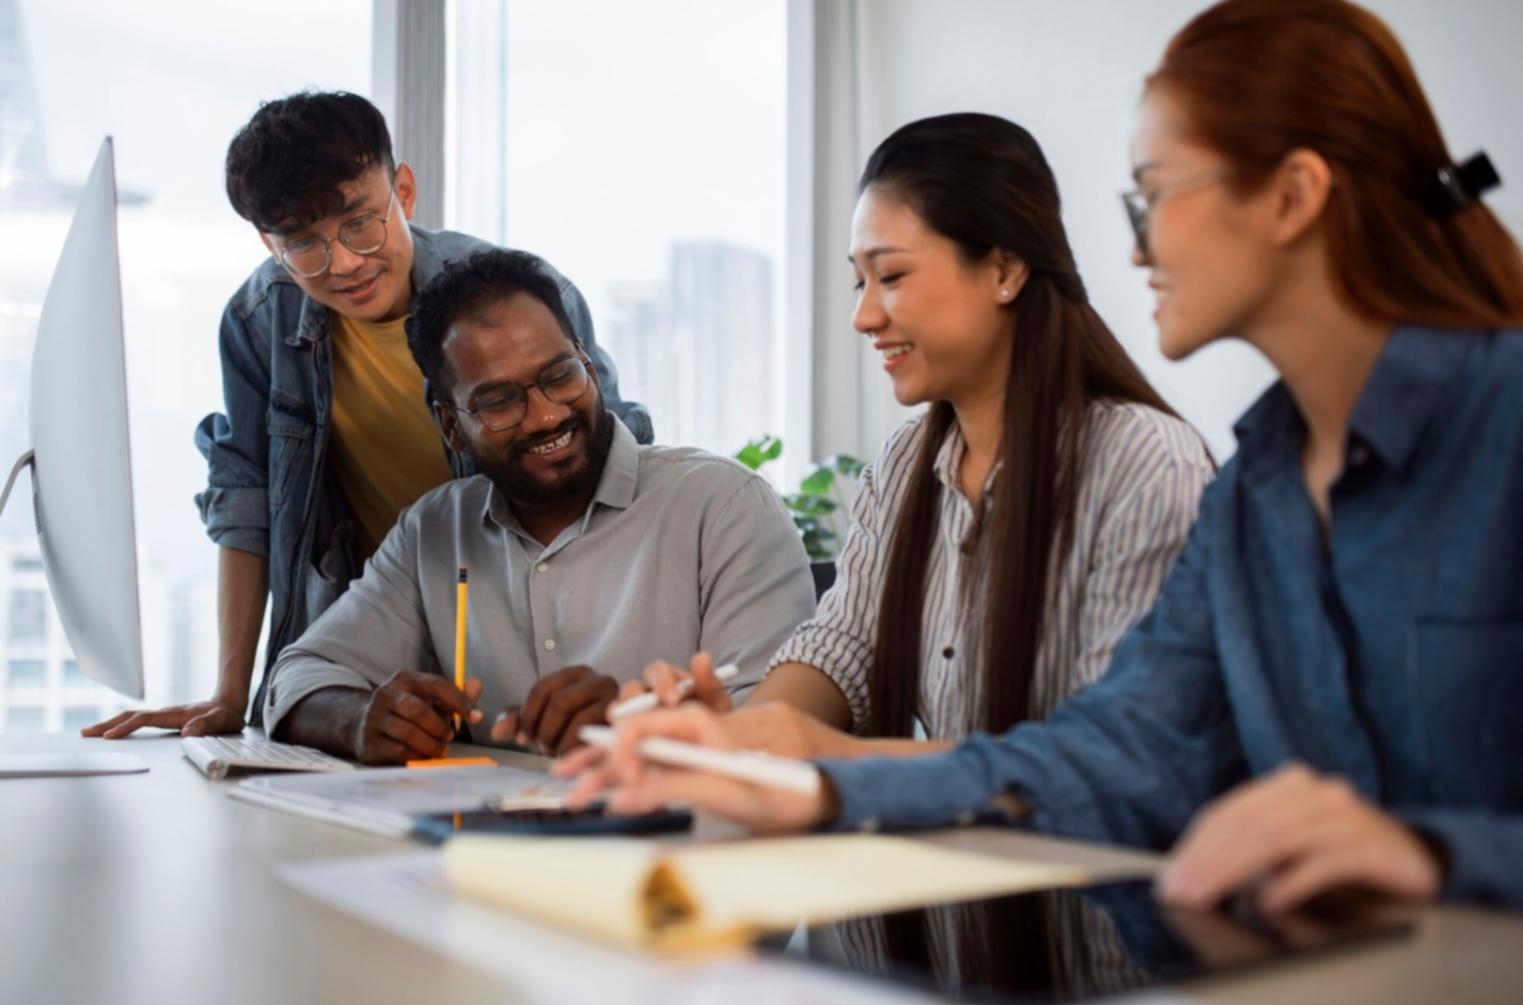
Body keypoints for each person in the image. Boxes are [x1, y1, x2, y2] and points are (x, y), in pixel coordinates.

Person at [568, 0, 1523, 912]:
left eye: (1152, 196)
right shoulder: (1257, 494)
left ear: (1291, 195)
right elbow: (1114, 753)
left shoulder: (1489, 428)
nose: (1135, 244)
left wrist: (1432, 851)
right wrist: (795, 765)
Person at [621, 114, 1212, 761]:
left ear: (1004, 269)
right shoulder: (908, 460)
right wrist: (735, 735)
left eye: (892, 276)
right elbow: (842, 644)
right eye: (859, 280)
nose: (863, 315)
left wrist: (832, 756)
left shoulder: (1145, 464)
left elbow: (1106, 756)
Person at [83, 92, 650, 740]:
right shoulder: (258, 321)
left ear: (402, 190)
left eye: (359, 221)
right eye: (304, 243)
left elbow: (600, 458)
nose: (345, 262)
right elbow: (246, 497)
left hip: (521, 618)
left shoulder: (512, 299)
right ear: (270, 243)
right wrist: (230, 695)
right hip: (376, 634)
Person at [264, 250, 814, 763]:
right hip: (488, 851)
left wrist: (639, 729)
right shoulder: (433, 532)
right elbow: (299, 674)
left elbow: (784, 729)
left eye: (559, 376)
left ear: (590, 367)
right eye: (501, 400)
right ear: (451, 426)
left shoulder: (724, 507)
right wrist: (358, 719)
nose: (547, 416)